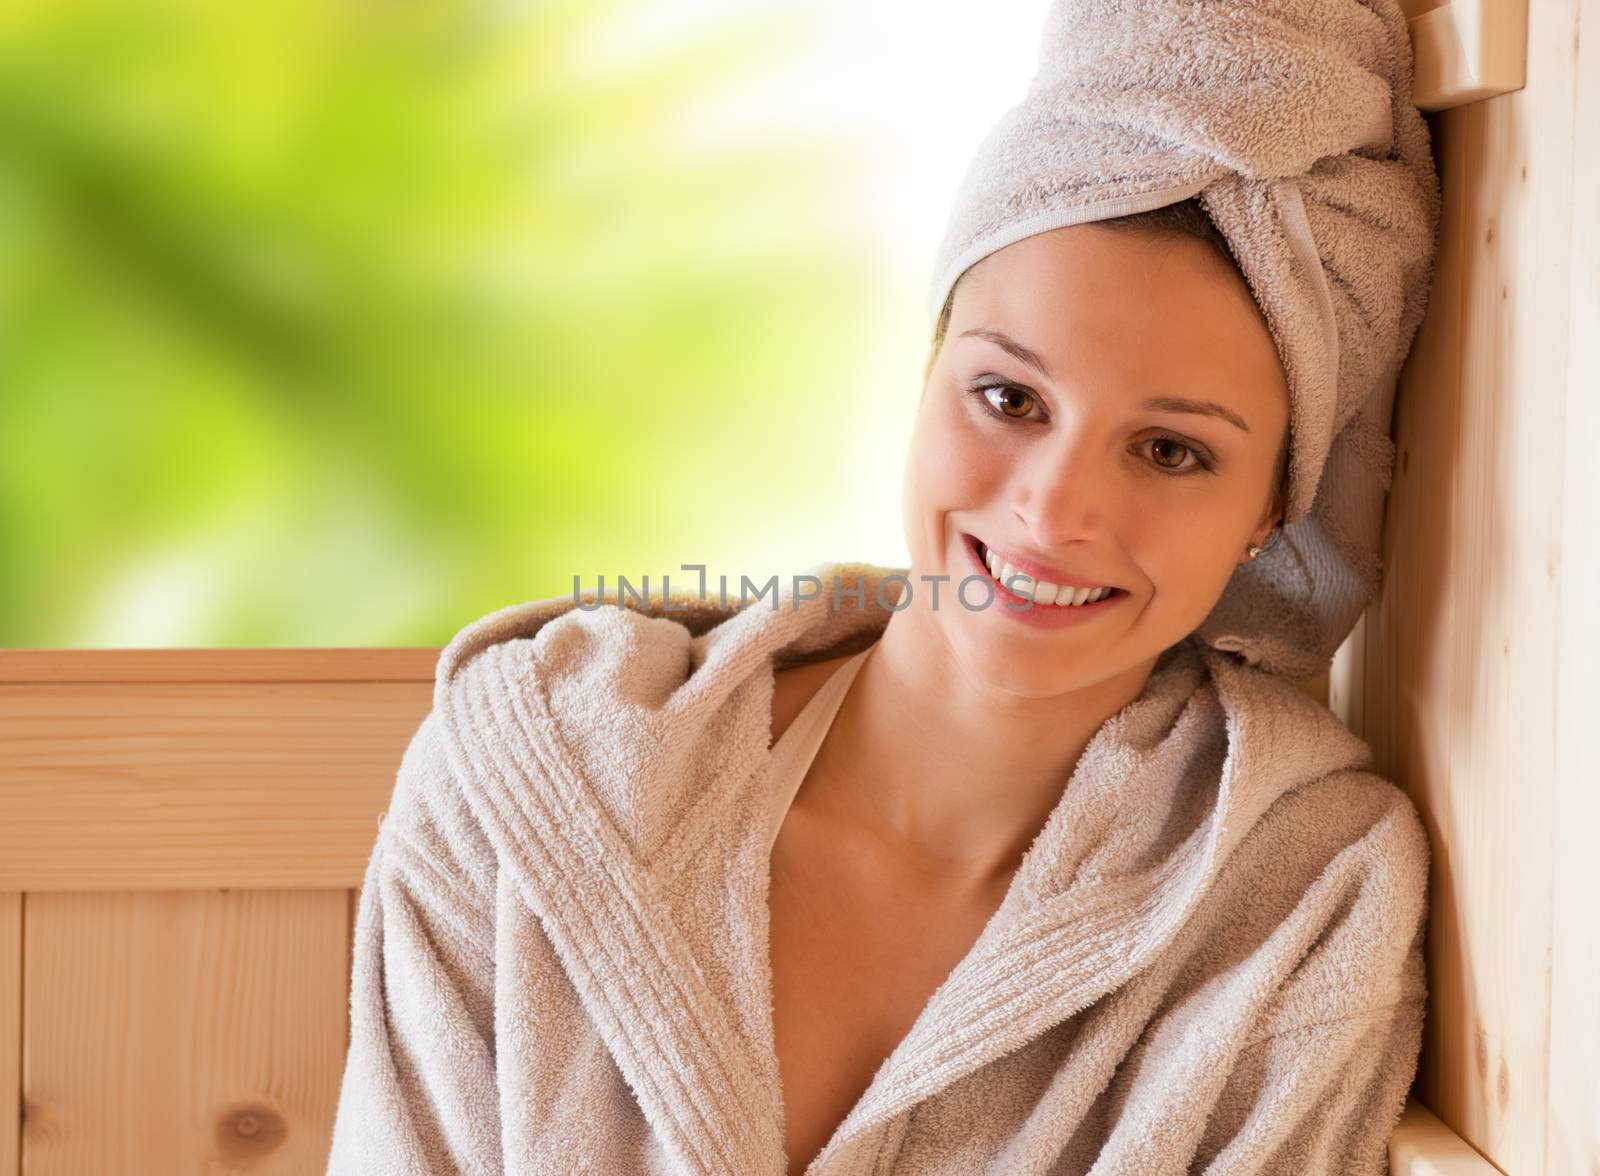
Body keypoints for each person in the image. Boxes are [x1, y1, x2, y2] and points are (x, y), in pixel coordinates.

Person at [328, 1, 1441, 1173]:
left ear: (1272, 505)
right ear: (925, 371)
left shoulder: (1301, 902)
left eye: (1171, 451)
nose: (1054, 513)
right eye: (1008, 399)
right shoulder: (529, 773)